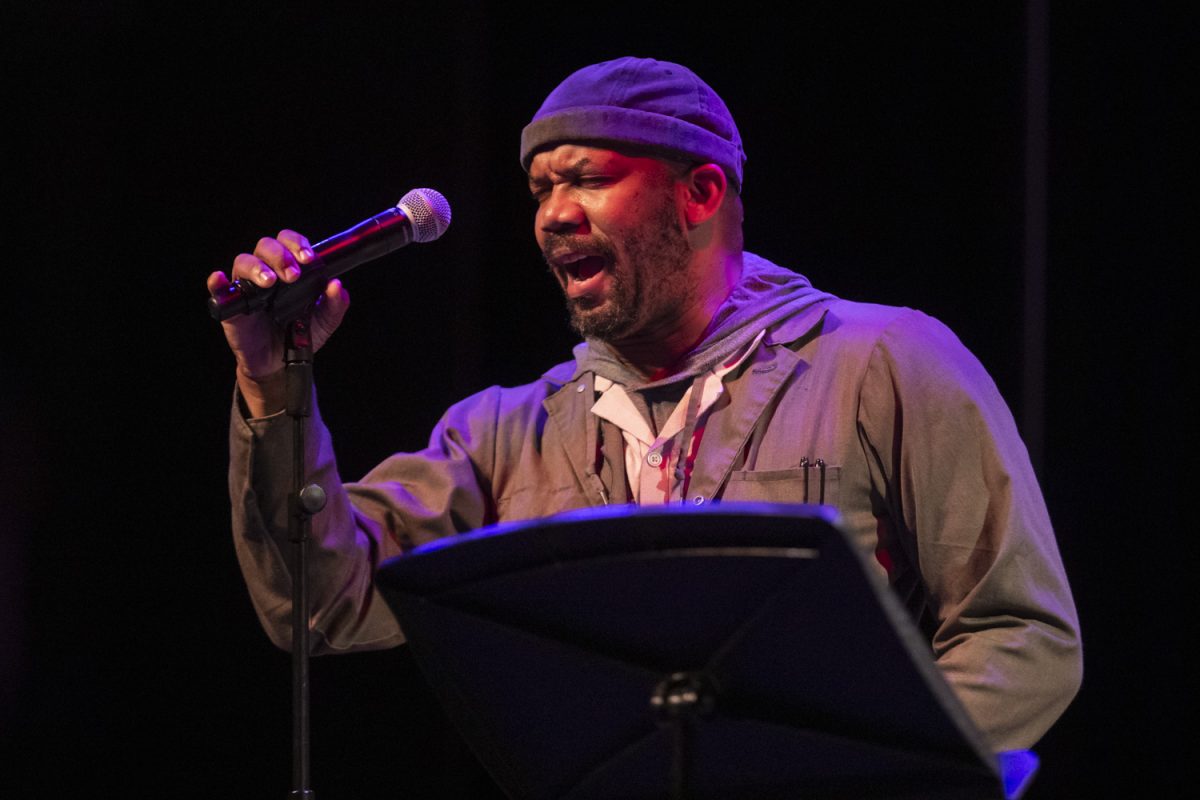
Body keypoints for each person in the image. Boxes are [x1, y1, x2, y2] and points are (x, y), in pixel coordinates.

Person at [208, 57, 1081, 752]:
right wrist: (273, 384)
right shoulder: (508, 433)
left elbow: (1022, 636)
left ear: (699, 194)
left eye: (584, 178)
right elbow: (322, 604)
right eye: (541, 190)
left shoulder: (885, 363)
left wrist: (865, 772)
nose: (552, 215)